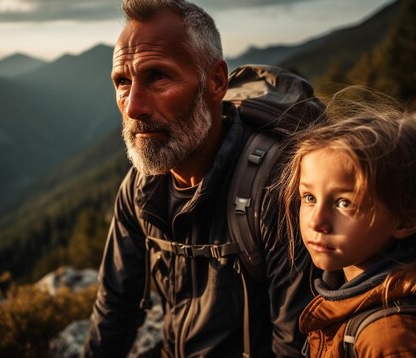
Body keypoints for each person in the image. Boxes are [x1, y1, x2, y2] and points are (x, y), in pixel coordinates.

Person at [83, 0, 312, 356]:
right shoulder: (141, 189)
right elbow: (115, 308)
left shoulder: (275, 187)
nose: (132, 107)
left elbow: (294, 346)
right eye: (122, 82)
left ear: (216, 81)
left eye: (157, 76)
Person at [277, 87, 416, 357]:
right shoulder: (347, 293)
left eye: (344, 203)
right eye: (309, 197)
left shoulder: (392, 340)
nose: (317, 221)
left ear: (406, 220)